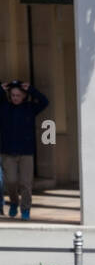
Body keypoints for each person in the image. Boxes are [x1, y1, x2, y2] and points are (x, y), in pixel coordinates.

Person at [1, 81, 49, 220]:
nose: (15, 97)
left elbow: (45, 101)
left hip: (26, 153)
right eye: (13, 95)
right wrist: (0, 90)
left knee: (26, 183)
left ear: (23, 96)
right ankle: (14, 203)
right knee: (11, 182)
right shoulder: (4, 108)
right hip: (8, 152)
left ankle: (26, 208)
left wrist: (32, 90)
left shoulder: (30, 108)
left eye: (18, 95)